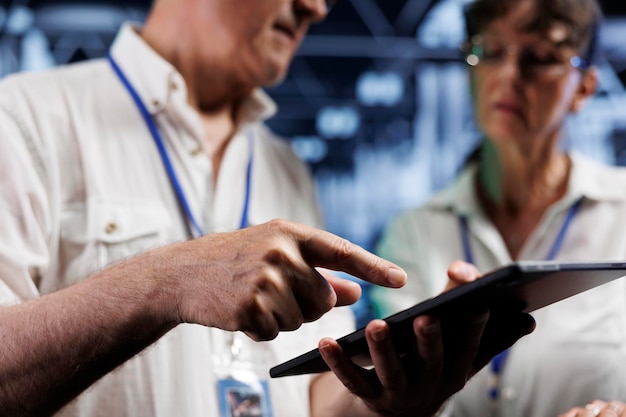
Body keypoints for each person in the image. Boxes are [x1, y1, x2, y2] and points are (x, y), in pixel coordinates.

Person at [0, 0, 535, 416]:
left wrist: (387, 397)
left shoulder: (284, 167)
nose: (319, 8)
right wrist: (168, 282)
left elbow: (311, 397)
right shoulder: (24, 122)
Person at [375, 0, 626, 416]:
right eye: (491, 52)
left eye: (541, 58)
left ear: (583, 87)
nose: (510, 75)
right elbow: (399, 397)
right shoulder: (413, 234)